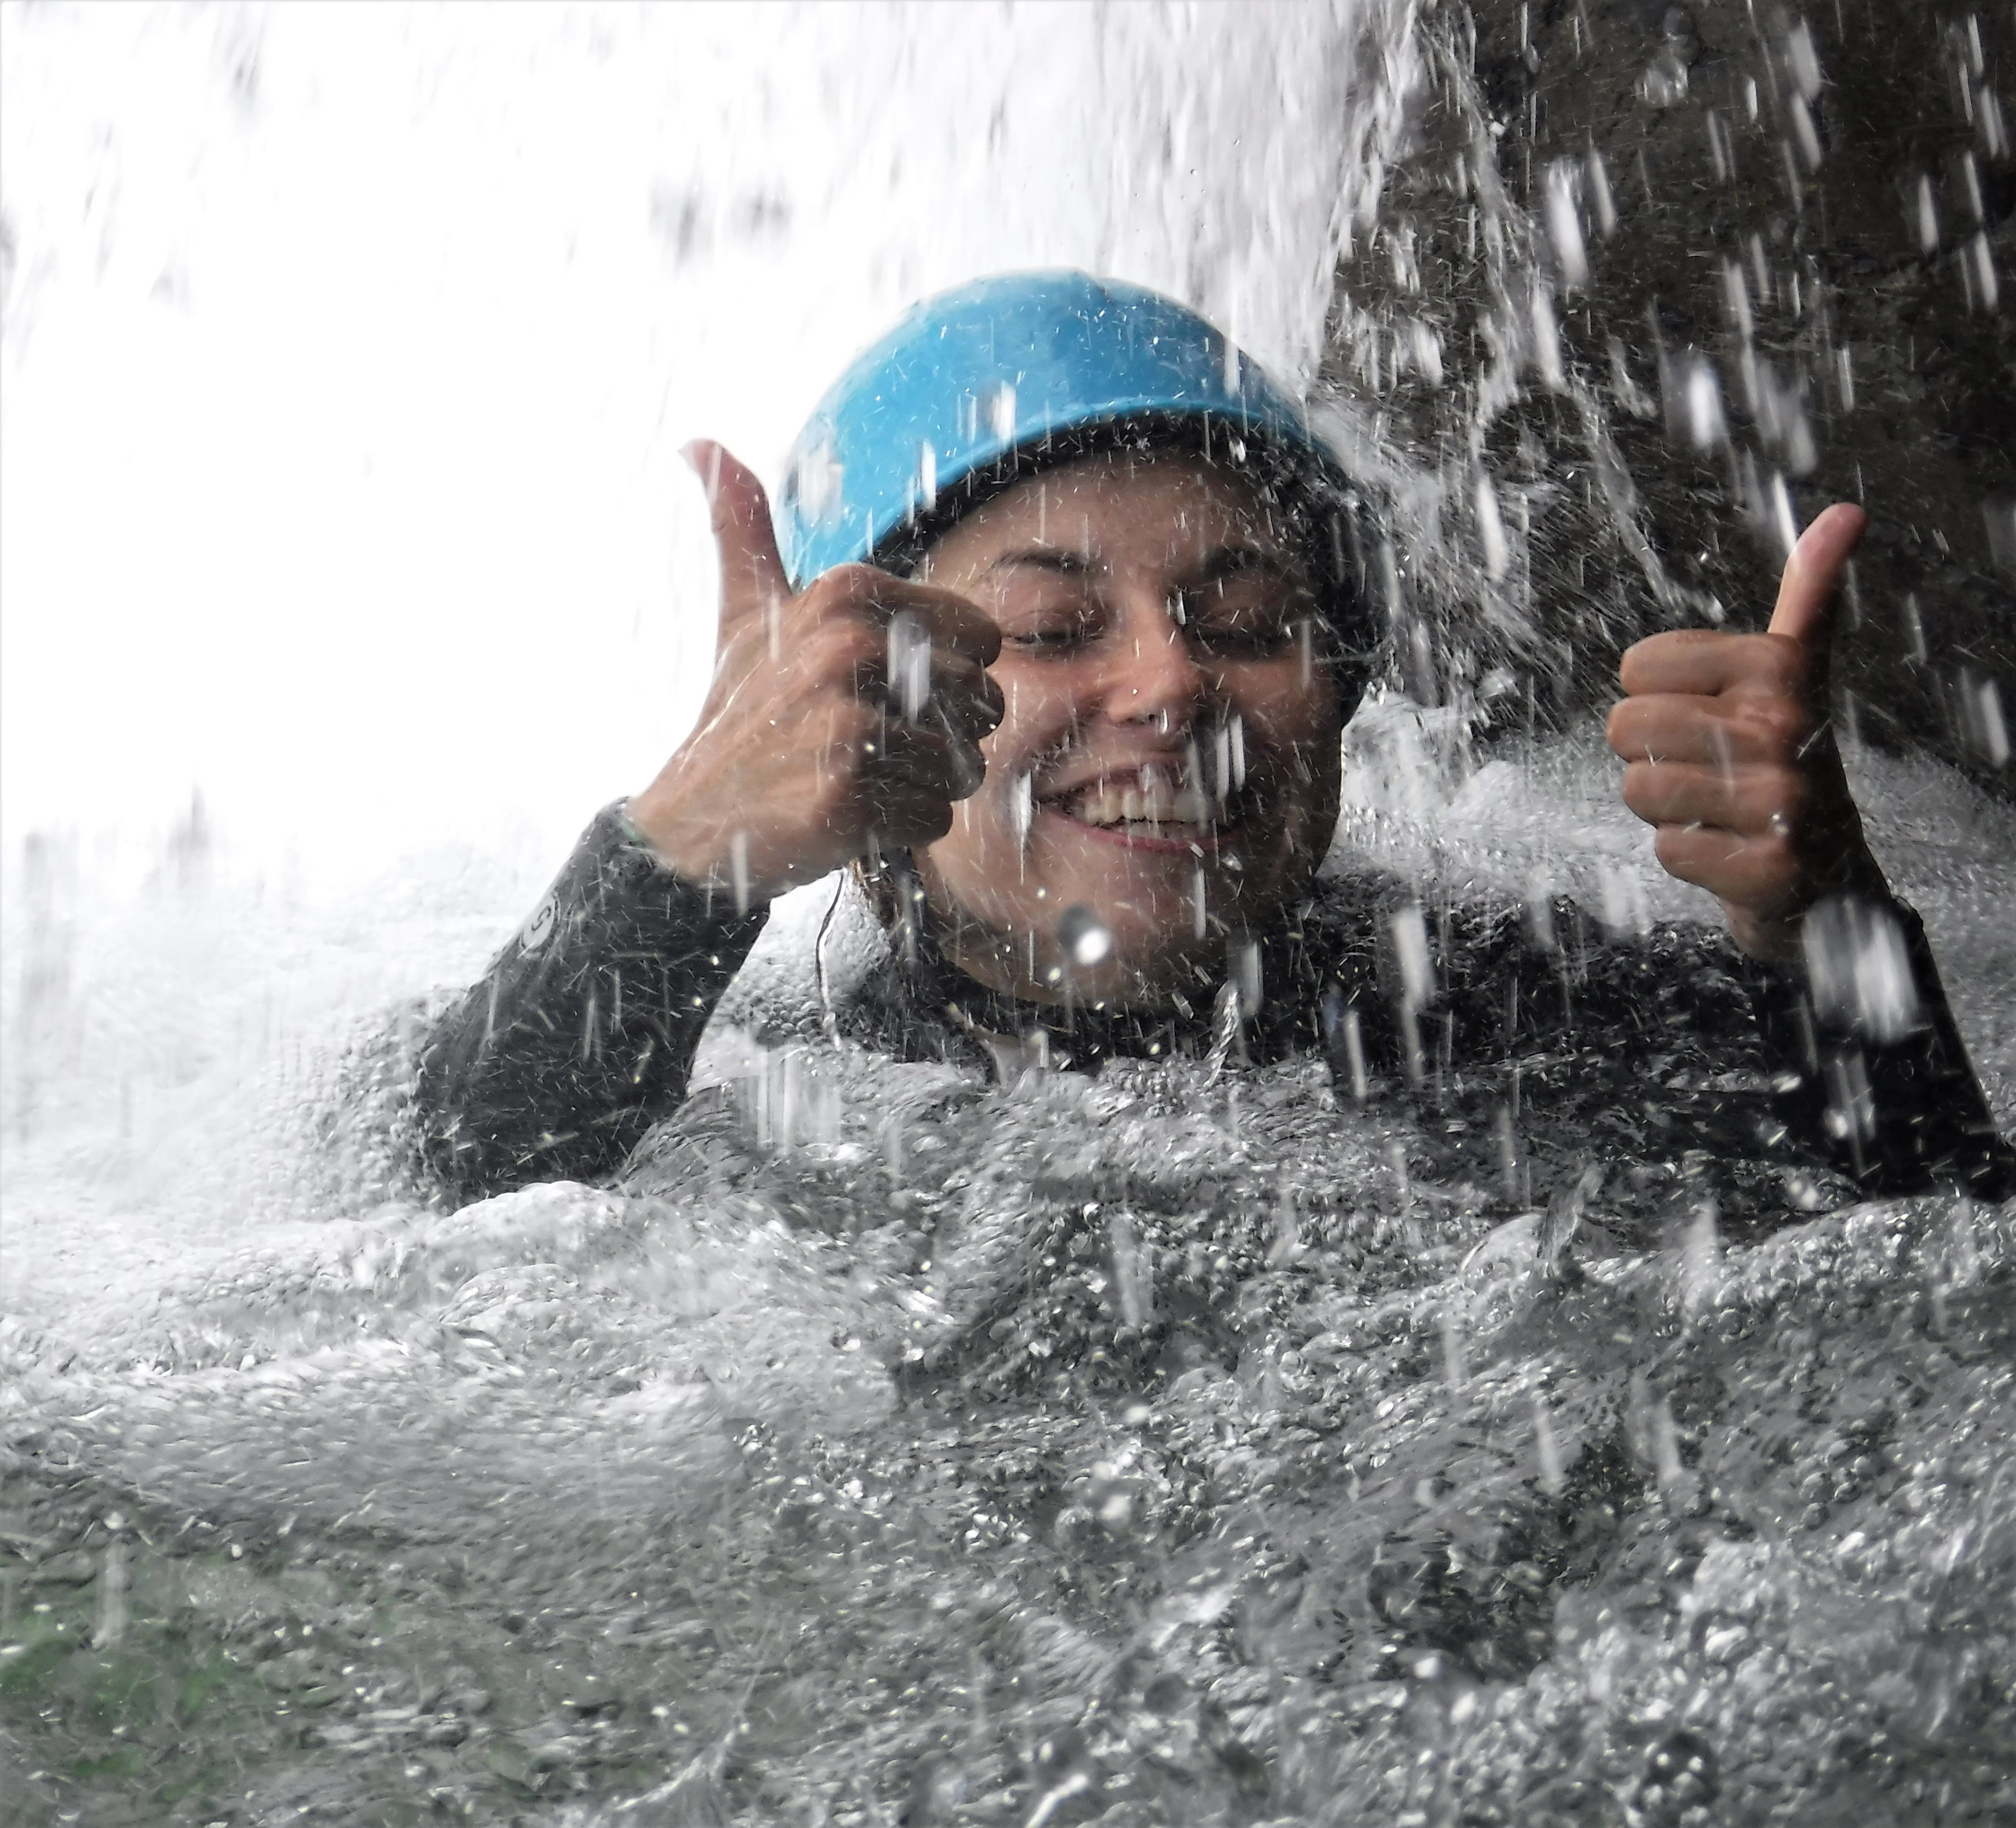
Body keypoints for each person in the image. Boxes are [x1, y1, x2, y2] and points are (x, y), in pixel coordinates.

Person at [407, 271, 2011, 1214]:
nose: (1173, 685)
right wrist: (678, 859)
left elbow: (1939, 1243)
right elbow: (422, 1215)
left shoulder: (1538, 1007)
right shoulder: (752, 1095)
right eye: (1046, 631)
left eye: (1246, 621)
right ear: (849, 723)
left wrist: (1828, 928)